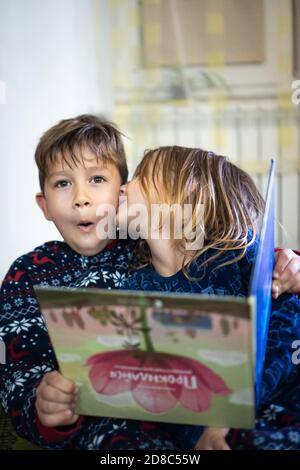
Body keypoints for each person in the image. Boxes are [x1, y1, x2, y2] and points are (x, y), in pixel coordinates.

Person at [0, 121, 299, 450]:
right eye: (62, 183)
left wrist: (291, 264)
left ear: (120, 188)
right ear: (43, 204)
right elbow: (20, 371)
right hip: (126, 428)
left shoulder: (146, 249)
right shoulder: (29, 274)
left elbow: (266, 274)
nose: (82, 199)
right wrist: (41, 399)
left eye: (98, 179)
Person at [113, 146, 300, 450]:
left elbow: (287, 330)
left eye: (140, 177)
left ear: (186, 194)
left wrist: (232, 413)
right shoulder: (130, 292)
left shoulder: (237, 258)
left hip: (278, 407)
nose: (123, 186)